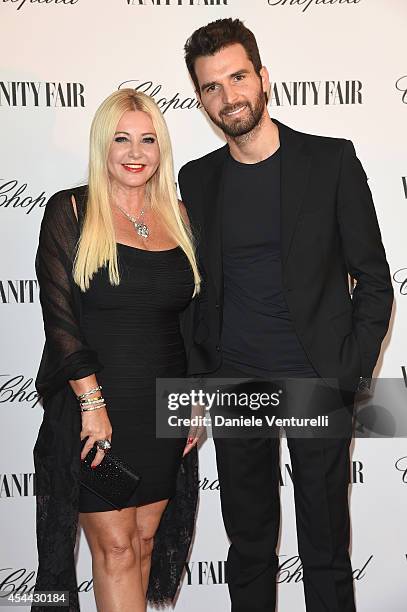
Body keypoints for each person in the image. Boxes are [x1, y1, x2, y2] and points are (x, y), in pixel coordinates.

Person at [178, 18, 393, 612]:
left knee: (324, 547)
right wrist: (196, 386)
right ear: (200, 100)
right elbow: (194, 296)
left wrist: (349, 373)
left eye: (237, 77)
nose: (228, 96)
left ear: (263, 76)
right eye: (211, 87)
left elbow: (375, 281)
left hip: (314, 381)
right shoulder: (196, 180)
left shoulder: (330, 162)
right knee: (248, 549)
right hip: (236, 383)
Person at [32, 89, 201, 612]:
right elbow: (59, 319)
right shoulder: (73, 210)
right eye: (122, 138)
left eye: (148, 139)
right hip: (98, 417)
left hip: (163, 410)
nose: (136, 152)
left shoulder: (179, 215)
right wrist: (90, 403)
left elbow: (194, 319)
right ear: (103, 144)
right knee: (117, 547)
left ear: (161, 148)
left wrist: (195, 397)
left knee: (146, 542)